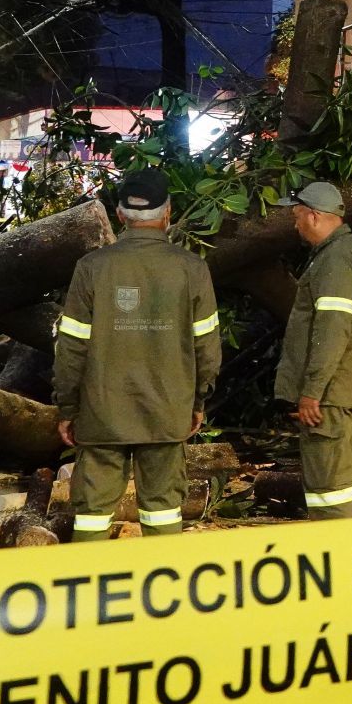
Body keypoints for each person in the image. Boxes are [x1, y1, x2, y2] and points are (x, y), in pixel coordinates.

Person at [54, 169, 220, 541]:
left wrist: (67, 407)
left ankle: (90, 588)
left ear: (120, 215)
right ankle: (161, 590)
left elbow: (71, 347)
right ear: (168, 213)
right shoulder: (192, 268)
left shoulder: (92, 268)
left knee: (93, 514)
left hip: (102, 413)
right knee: (163, 510)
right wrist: (198, 400)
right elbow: (207, 347)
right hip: (166, 409)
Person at [273, 182, 352, 519]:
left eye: (297, 215)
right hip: (335, 392)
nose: (295, 223)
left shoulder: (336, 260)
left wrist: (312, 391)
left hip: (329, 396)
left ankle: (335, 553)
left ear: (314, 216)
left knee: (329, 486)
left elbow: (332, 331)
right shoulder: (338, 255)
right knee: (334, 481)